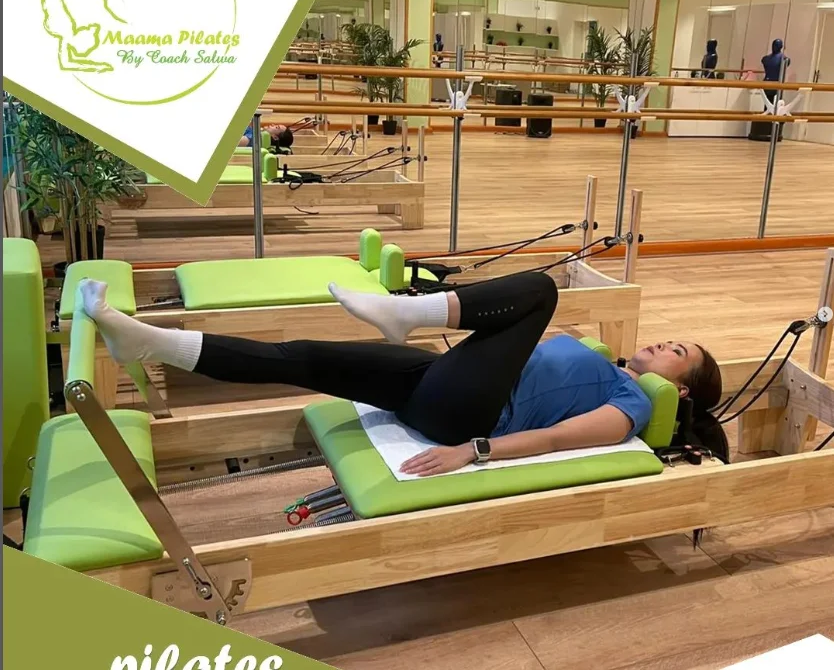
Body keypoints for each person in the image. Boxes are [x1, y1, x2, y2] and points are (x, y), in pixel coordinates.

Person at [76, 272, 722, 478]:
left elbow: (556, 439)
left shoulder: (632, 403)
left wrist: (473, 451)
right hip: (436, 382)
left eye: (677, 351)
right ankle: (148, 342)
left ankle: (408, 312)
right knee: (304, 357)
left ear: (682, 387)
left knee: (541, 292)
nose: (662, 343)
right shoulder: (603, 360)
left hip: (466, 416)